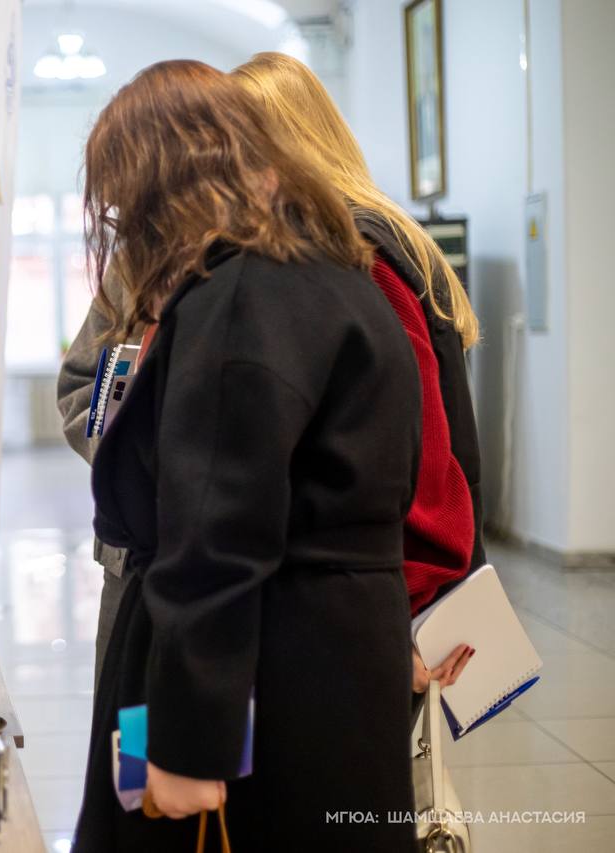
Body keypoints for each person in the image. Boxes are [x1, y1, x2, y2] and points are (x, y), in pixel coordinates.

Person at [73, 61, 421, 851]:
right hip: (344, 652)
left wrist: (188, 741)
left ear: (171, 186)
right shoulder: (335, 272)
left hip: (264, 671)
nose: (130, 230)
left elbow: (216, 535)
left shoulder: (239, 298)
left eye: (132, 206)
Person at [232, 52, 482, 700]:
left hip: (390, 603)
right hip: (398, 594)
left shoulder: (356, 256)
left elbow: (410, 457)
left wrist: (403, 616)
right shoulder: (390, 235)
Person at [56, 271, 133, 681]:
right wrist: (121, 455)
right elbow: (79, 384)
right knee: (130, 733)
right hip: (132, 559)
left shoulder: (292, 253)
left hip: (252, 570)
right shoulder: (136, 258)